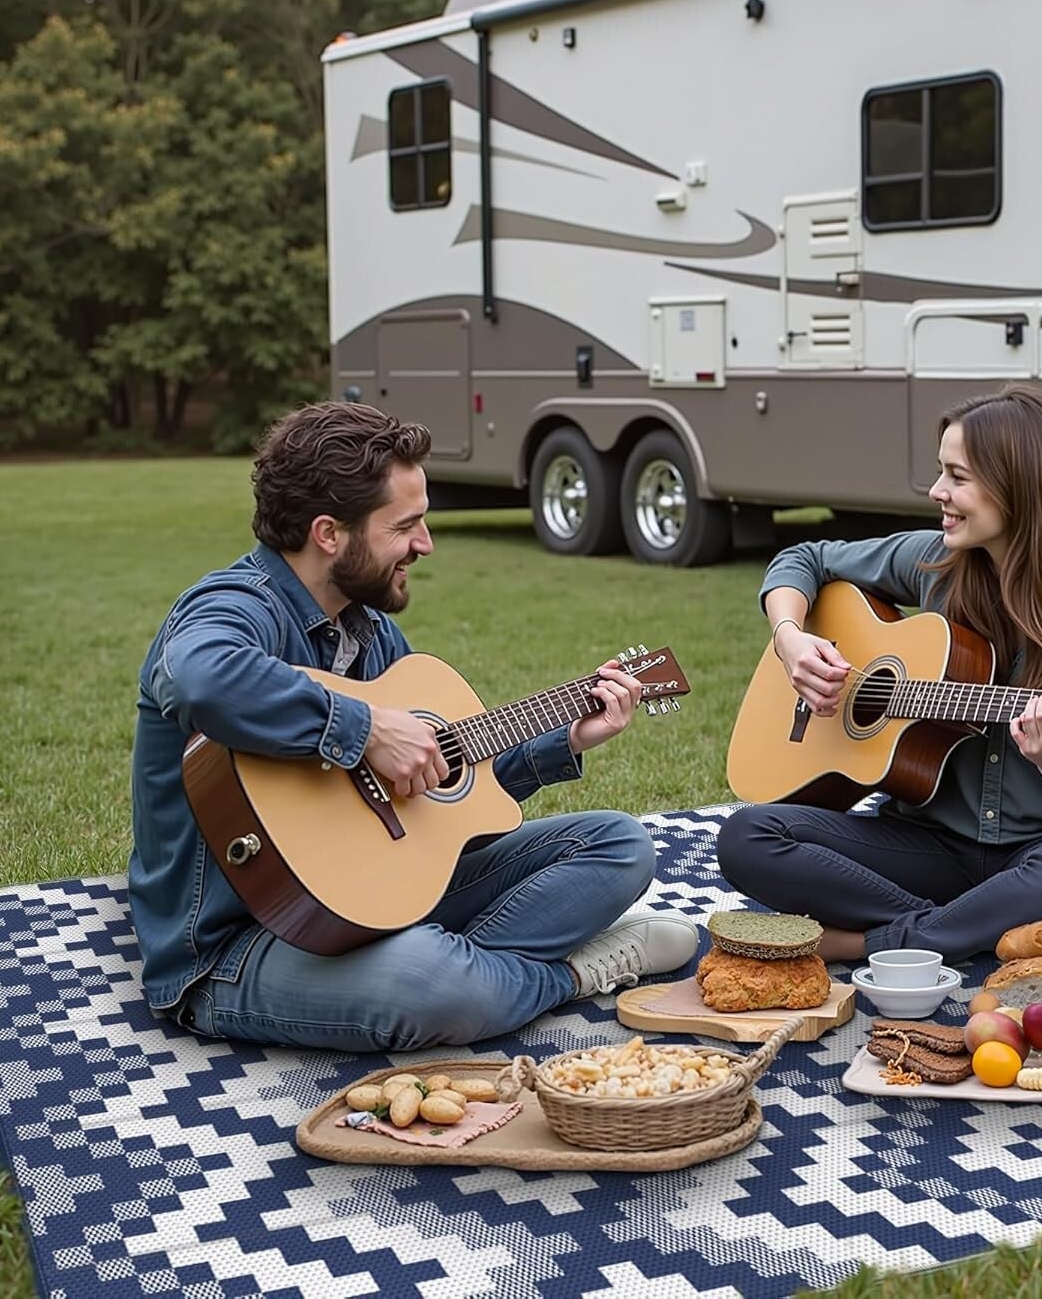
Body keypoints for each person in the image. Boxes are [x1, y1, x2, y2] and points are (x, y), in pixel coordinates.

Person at [130, 401, 697, 1052]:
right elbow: (201, 678)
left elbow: (442, 785)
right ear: (328, 533)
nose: (425, 544)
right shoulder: (232, 608)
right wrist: (366, 727)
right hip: (232, 947)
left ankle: (465, 968)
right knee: (429, 980)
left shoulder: (369, 630)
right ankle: (565, 974)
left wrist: (565, 738)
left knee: (620, 843)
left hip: (375, 896)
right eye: (407, 526)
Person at [717, 386, 1042, 966]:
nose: (937, 492)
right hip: (929, 846)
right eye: (941, 472)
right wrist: (791, 641)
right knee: (746, 838)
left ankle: (869, 942)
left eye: (957, 476)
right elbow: (804, 558)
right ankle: (969, 927)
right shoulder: (935, 562)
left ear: (1023, 487)